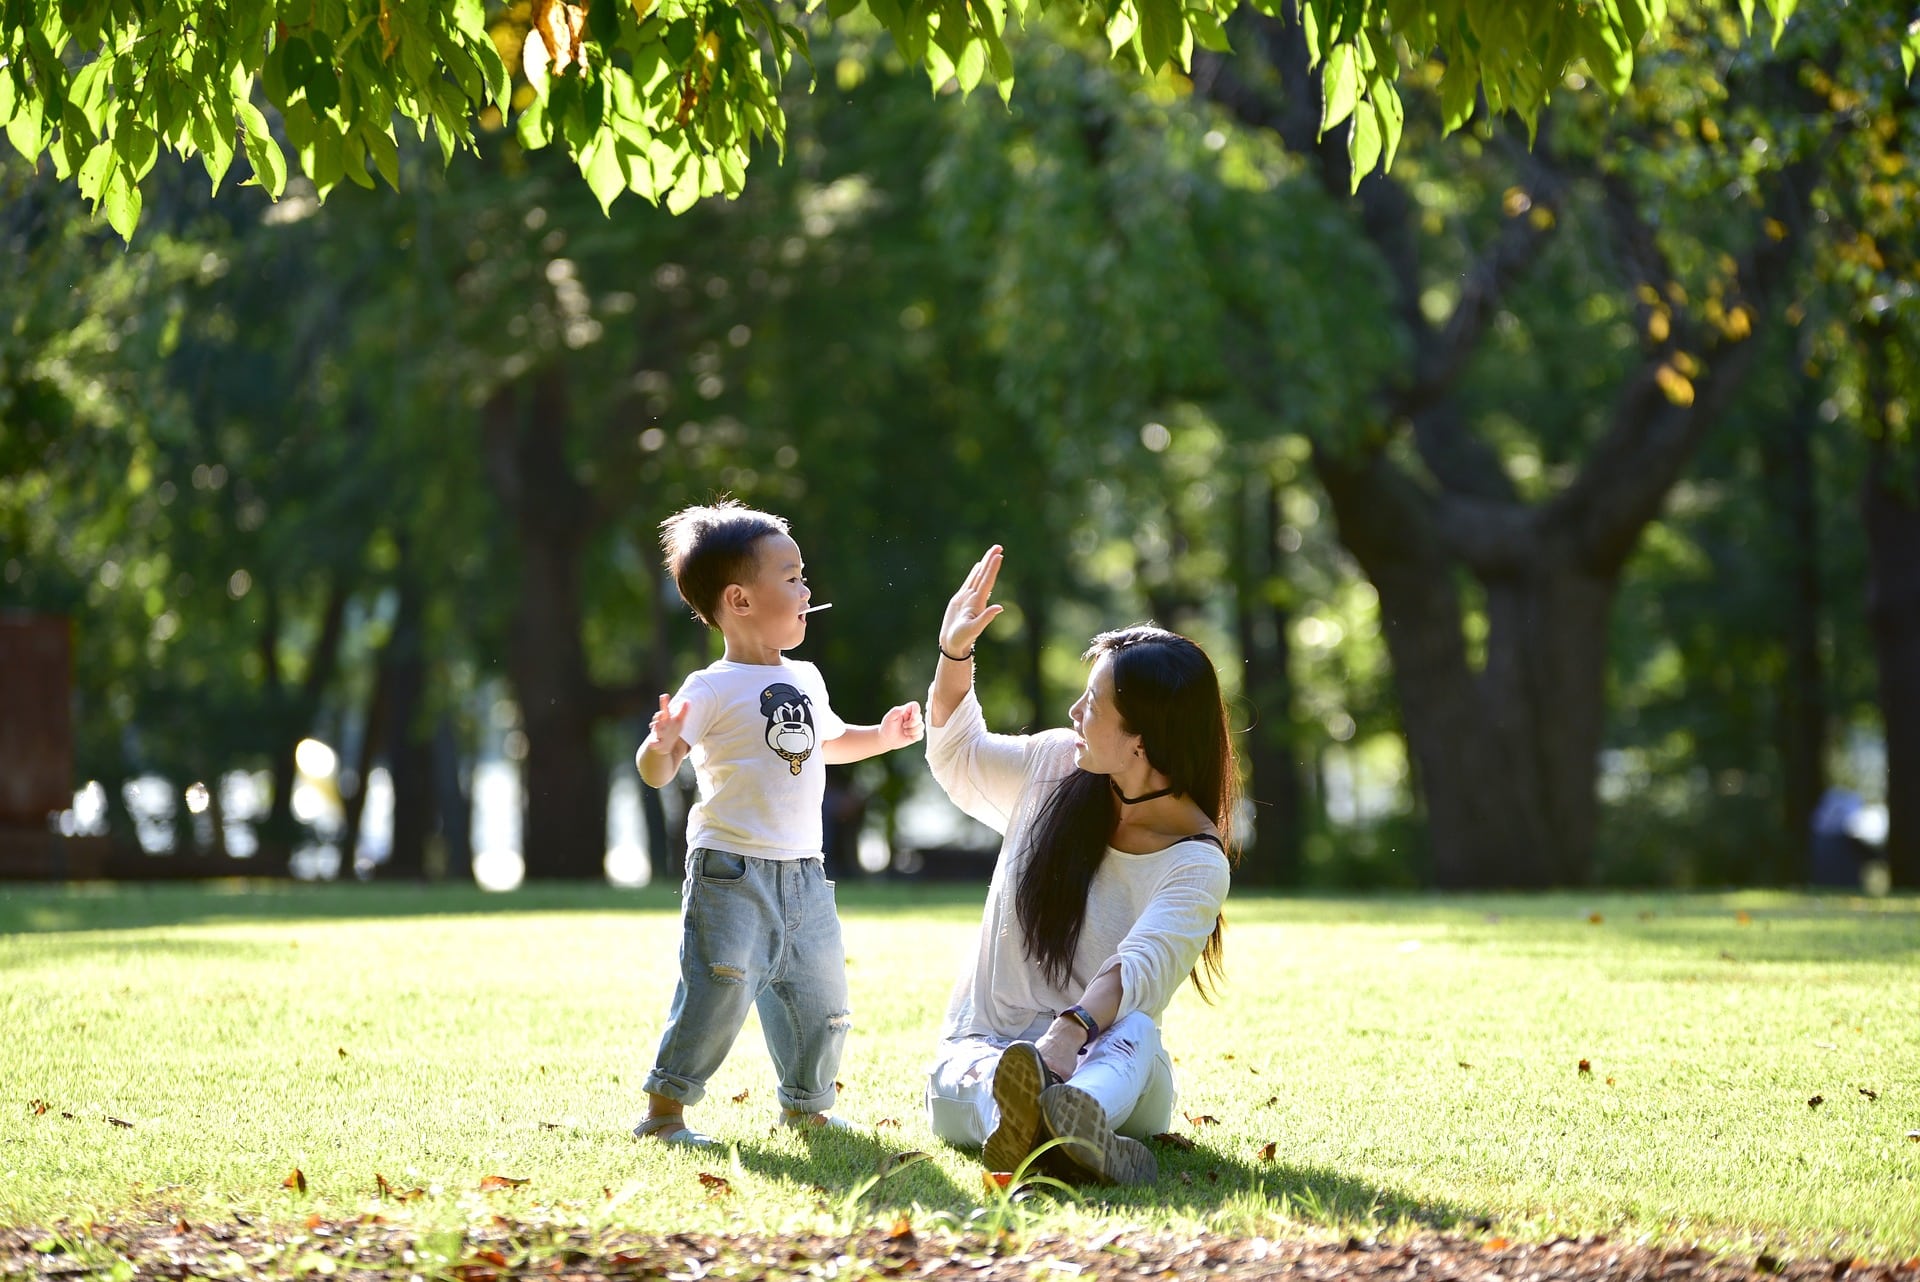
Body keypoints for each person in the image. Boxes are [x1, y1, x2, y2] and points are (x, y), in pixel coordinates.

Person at [922, 545, 1237, 1185]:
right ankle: (1054, 1132)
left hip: (1105, 1059)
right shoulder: (1054, 765)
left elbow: (1140, 966)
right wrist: (954, 656)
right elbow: (960, 757)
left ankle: (1075, 1117)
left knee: (1137, 1035)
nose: (1075, 713)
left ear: (1141, 739)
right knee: (988, 1076)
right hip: (987, 1050)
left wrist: (1066, 1039)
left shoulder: (1197, 861)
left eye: (1092, 704)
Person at [632, 500, 924, 1147]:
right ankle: (664, 1113)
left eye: (802, 576)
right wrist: (660, 743)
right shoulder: (708, 688)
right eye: (790, 577)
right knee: (718, 991)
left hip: (805, 872)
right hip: (730, 872)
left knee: (821, 994)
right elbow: (658, 770)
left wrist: (886, 733)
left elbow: (833, 741)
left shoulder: (807, 677)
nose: (806, 589)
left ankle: (807, 1103)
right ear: (739, 600)